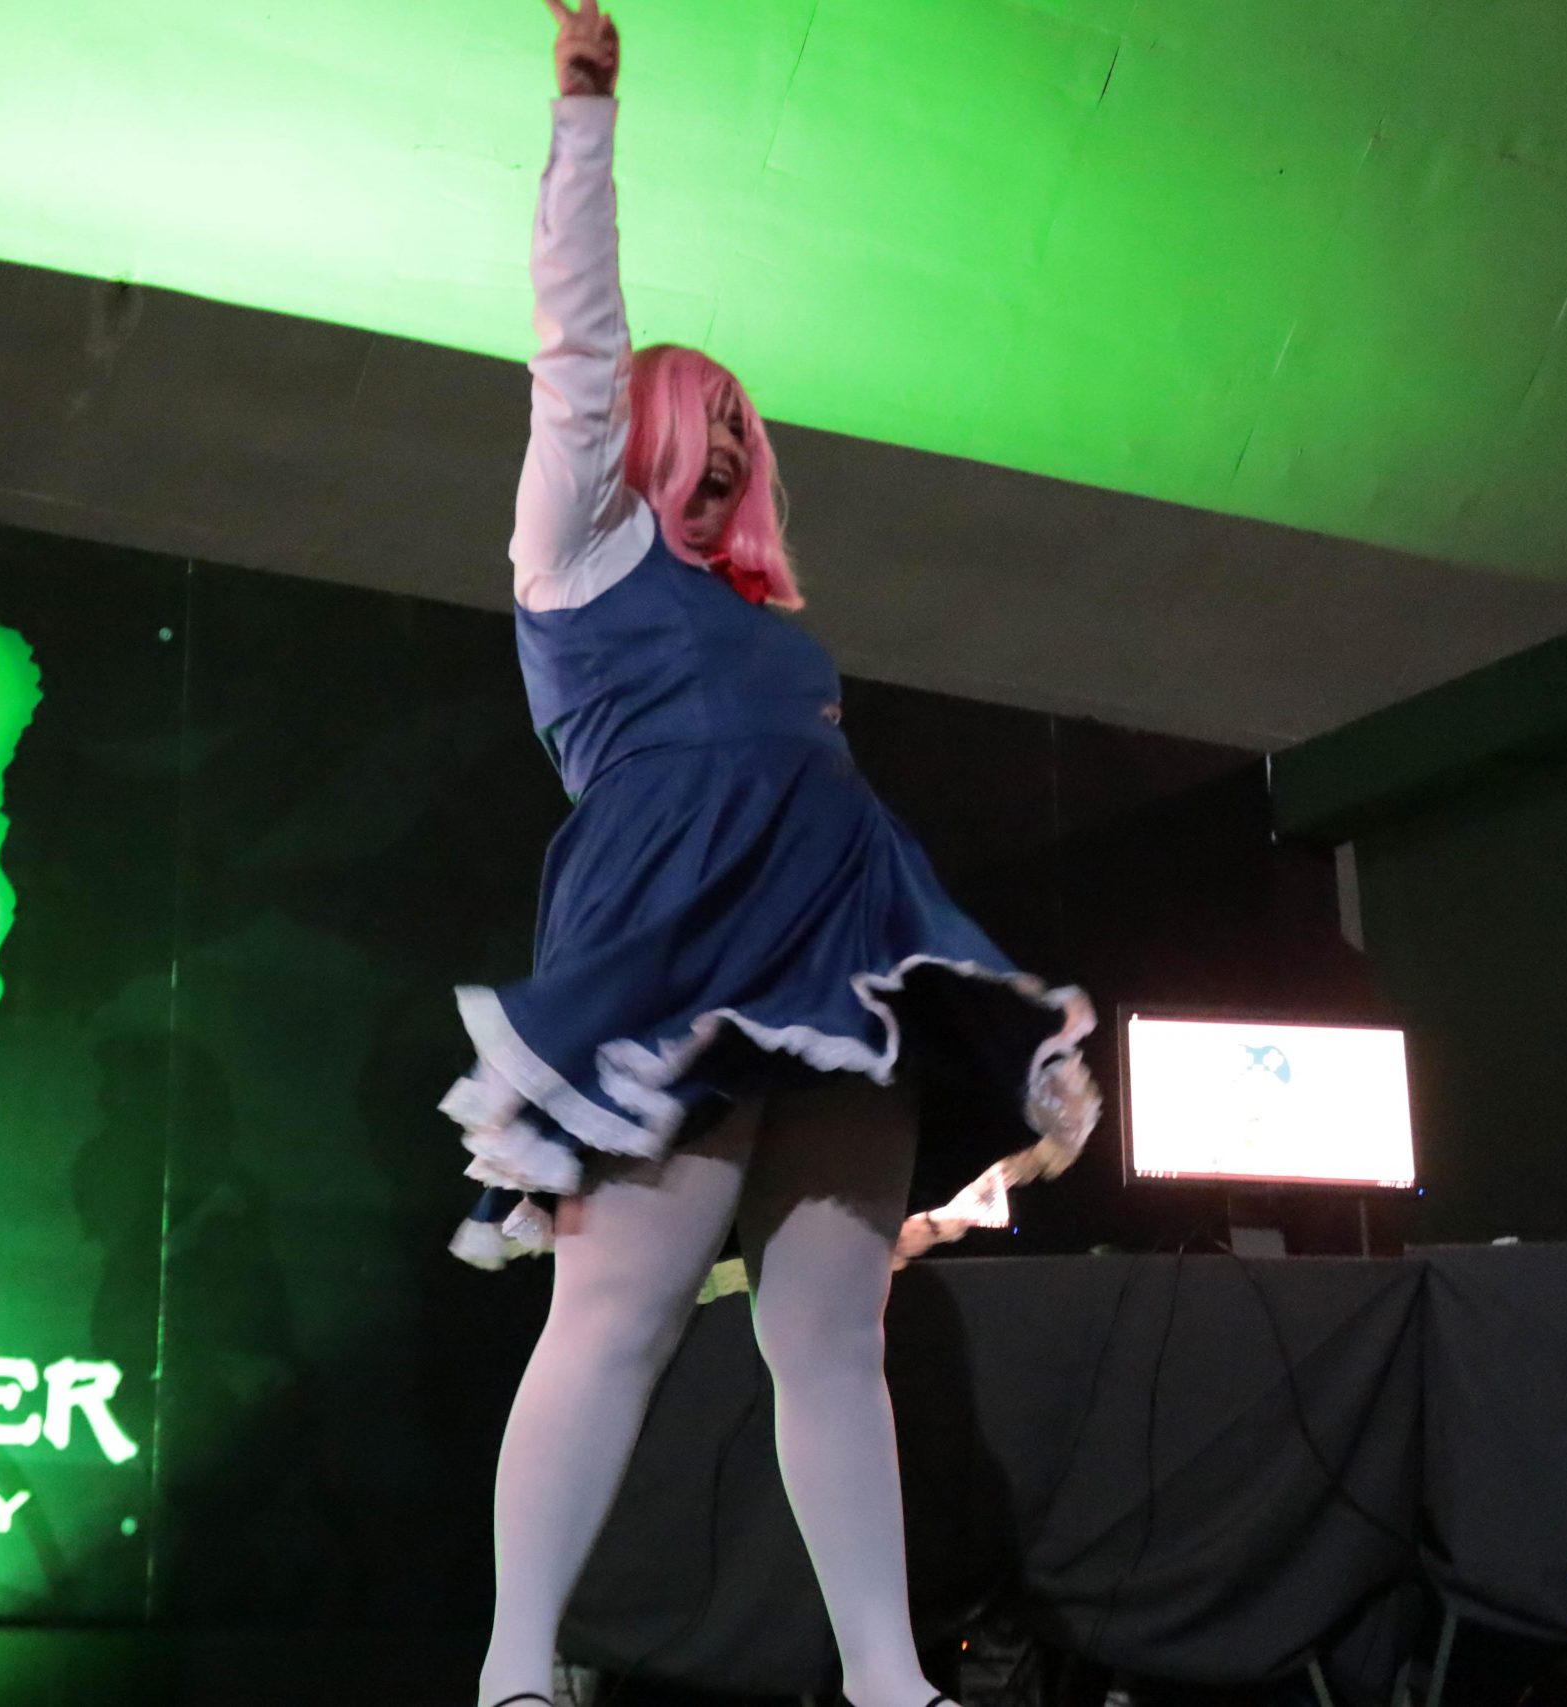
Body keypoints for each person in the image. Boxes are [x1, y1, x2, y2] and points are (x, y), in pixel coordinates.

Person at [441, 9, 1103, 1707]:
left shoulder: (767, 623)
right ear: (634, 434)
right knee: (616, 1313)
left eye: (742, 420)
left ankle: (890, 1680)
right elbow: (575, 338)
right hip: (680, 933)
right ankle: (513, 1670)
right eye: (699, 412)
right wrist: (586, 111)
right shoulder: (578, 555)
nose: (728, 437)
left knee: (831, 1333)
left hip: (843, 944)